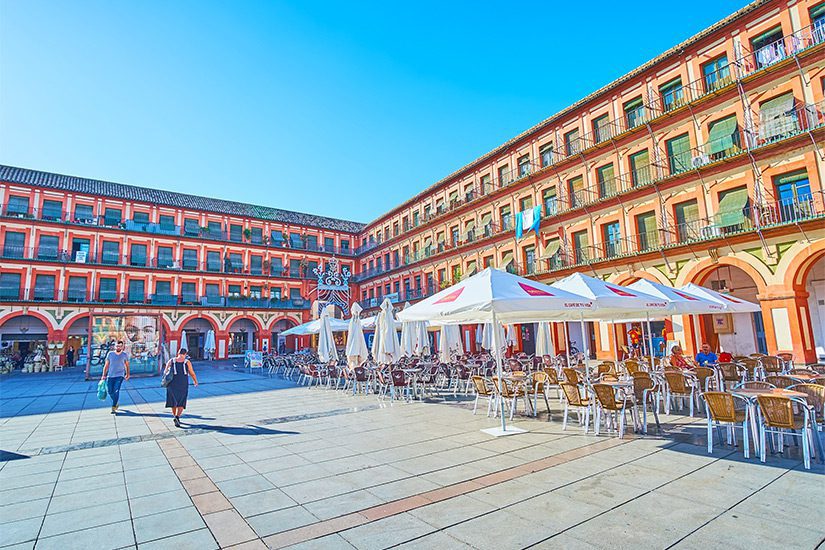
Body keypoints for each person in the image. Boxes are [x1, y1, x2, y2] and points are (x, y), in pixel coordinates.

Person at [164, 347, 198, 427]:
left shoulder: (171, 361)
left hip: (171, 384)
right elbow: (192, 373)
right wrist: (195, 381)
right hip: (182, 384)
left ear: (178, 353)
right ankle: (177, 416)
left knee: (173, 401)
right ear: (185, 354)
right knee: (181, 401)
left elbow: (165, 372)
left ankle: (174, 416)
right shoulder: (187, 362)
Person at [101, 340, 130, 413]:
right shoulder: (110, 354)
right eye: (117, 346)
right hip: (110, 375)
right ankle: (116, 402)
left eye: (120, 346)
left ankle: (114, 406)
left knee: (116, 391)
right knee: (110, 391)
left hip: (119, 376)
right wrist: (103, 375)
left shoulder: (124, 355)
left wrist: (127, 374)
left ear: (122, 347)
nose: (118, 347)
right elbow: (106, 365)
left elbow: (127, 365)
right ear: (115, 346)